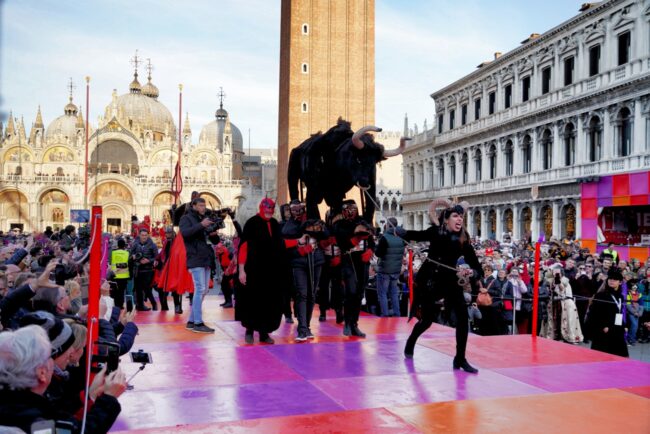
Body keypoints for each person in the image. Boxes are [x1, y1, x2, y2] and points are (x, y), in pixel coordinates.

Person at [402, 199, 482, 373]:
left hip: (450, 280)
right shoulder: (436, 232)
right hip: (430, 280)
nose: (459, 219)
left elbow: (476, 266)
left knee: (462, 319)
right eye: (455, 216)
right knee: (427, 321)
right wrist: (399, 232)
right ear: (446, 219)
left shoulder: (463, 239)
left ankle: (460, 359)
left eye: (461, 216)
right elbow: (415, 235)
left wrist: (472, 273)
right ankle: (411, 340)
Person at [0, 325, 125, 434]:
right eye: (50, 356)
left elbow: (63, 416)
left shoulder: (20, 405)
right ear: (42, 372)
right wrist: (109, 398)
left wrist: (90, 393)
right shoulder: (35, 423)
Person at [237, 198, 289, 344]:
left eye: (271, 209)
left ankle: (264, 333)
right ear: (261, 208)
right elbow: (244, 247)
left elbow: (281, 244)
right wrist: (241, 270)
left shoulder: (274, 224)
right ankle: (249, 331)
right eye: (267, 209)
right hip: (254, 271)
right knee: (253, 301)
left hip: (271, 273)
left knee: (269, 302)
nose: (269, 212)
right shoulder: (251, 223)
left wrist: (298, 241)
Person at [282, 200, 328, 341]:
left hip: (316, 260)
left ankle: (306, 326)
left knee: (312, 294)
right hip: (299, 262)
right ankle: (302, 328)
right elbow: (286, 232)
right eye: (294, 209)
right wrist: (303, 228)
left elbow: (326, 233)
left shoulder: (312, 218)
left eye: (299, 209)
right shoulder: (289, 224)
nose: (297, 212)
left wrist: (316, 227)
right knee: (302, 294)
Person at [333, 199, 375, 337]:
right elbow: (343, 242)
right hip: (348, 259)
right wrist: (357, 236)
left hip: (362, 261)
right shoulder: (339, 224)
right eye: (348, 210)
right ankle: (347, 322)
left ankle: (354, 323)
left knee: (359, 293)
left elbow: (371, 239)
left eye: (353, 209)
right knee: (350, 291)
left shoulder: (363, 221)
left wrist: (371, 251)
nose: (351, 213)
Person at [179, 197, 220, 333]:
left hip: (206, 257)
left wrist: (213, 233)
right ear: (194, 206)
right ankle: (198, 322)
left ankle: (191, 321)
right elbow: (185, 233)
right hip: (195, 257)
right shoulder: (186, 218)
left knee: (204, 290)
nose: (203, 208)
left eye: (204, 205)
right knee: (200, 288)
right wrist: (202, 225)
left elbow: (213, 240)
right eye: (201, 205)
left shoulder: (205, 218)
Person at [588, 268, 628, 357]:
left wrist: (624, 325)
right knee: (602, 355)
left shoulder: (620, 296)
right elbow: (595, 313)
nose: (612, 281)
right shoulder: (601, 295)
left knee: (618, 356)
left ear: (620, 282)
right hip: (604, 330)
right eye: (610, 279)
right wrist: (603, 325)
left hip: (617, 328)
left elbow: (619, 312)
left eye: (615, 279)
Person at [374, 217, 406, 317]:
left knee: (382, 293)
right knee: (394, 293)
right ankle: (397, 314)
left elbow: (378, 253)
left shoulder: (385, 237)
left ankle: (385, 315)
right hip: (396, 270)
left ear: (388, 225)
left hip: (385, 270)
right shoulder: (401, 238)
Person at [129, 228, 158, 311]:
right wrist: (133, 257)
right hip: (138, 269)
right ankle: (140, 306)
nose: (144, 237)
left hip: (148, 270)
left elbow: (156, 258)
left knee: (147, 288)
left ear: (148, 235)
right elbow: (130, 256)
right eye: (142, 235)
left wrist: (148, 261)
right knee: (138, 288)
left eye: (145, 235)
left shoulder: (153, 245)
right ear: (139, 235)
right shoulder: (135, 244)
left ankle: (154, 303)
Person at [110, 238, 130, 309]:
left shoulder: (113, 253)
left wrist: (116, 266)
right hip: (124, 276)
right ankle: (120, 305)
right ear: (124, 245)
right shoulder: (127, 253)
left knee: (115, 292)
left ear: (117, 245)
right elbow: (128, 264)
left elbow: (110, 263)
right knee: (121, 292)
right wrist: (122, 265)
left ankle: (115, 305)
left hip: (114, 275)